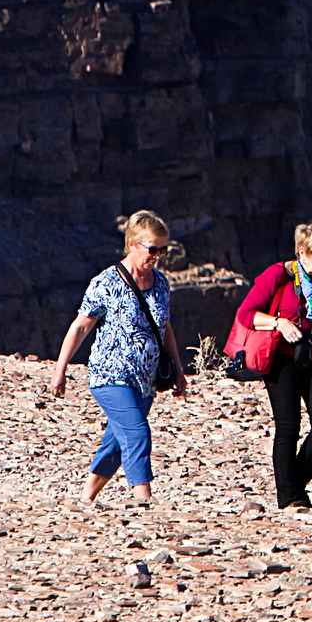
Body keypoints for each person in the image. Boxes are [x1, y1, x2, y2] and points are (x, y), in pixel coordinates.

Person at [51, 210, 186, 507]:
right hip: (110, 375)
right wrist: (60, 370)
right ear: (133, 245)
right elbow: (81, 326)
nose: (158, 256)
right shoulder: (107, 282)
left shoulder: (161, 283)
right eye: (153, 249)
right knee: (137, 432)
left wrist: (178, 368)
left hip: (146, 380)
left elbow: (165, 327)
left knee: (115, 441)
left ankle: (85, 498)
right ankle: (144, 499)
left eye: (163, 249)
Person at [230, 221, 312, 511]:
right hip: (281, 359)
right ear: (302, 252)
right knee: (288, 426)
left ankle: (296, 479)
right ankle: (291, 497)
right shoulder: (278, 275)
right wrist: (278, 323)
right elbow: (246, 314)